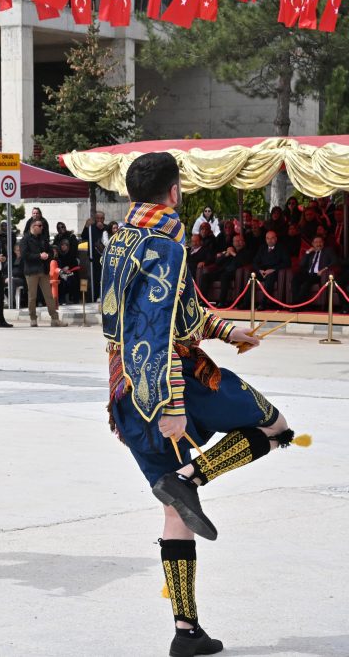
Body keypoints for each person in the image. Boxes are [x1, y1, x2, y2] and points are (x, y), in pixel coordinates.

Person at [101, 152, 304, 657]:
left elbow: (175, 312)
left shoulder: (120, 240)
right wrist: (171, 404)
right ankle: (190, 477)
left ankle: (186, 631)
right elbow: (157, 332)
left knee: (176, 511)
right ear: (174, 192)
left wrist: (227, 330)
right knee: (276, 428)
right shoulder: (166, 245)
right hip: (172, 384)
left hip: (125, 390)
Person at [20, 220, 67, 328]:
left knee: (49, 296)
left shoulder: (43, 238)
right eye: (40, 225)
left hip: (43, 271)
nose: (42, 228)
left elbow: (51, 252)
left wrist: (47, 255)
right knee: (32, 296)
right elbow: (24, 255)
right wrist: (39, 256)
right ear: (33, 227)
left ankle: (55, 319)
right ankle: (33, 318)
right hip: (31, 272)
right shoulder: (25, 239)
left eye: (42, 226)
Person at [293, 236, 337, 303]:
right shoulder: (311, 252)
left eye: (320, 242)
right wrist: (308, 252)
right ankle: (296, 302)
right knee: (295, 279)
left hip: (319, 275)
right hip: (308, 274)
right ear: (313, 244)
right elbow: (301, 264)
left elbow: (335, 261)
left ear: (323, 243)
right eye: (316, 242)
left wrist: (324, 269)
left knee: (307, 283)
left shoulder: (328, 250)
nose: (318, 244)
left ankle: (297, 304)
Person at [252, 230, 290, 308]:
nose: (270, 240)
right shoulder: (262, 248)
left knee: (270, 278)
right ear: (265, 239)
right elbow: (255, 262)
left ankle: (263, 304)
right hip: (262, 271)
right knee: (251, 278)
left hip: (274, 271)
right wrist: (260, 270)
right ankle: (246, 303)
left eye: (272, 238)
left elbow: (287, 263)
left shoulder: (281, 248)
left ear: (276, 239)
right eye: (268, 238)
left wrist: (273, 269)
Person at [82, 211, 108, 299]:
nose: (100, 220)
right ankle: (94, 296)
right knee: (94, 278)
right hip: (94, 258)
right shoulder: (91, 228)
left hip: (105, 258)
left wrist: (103, 228)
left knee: (104, 277)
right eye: (98, 218)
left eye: (102, 218)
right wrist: (86, 226)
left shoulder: (106, 228)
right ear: (95, 219)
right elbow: (84, 237)